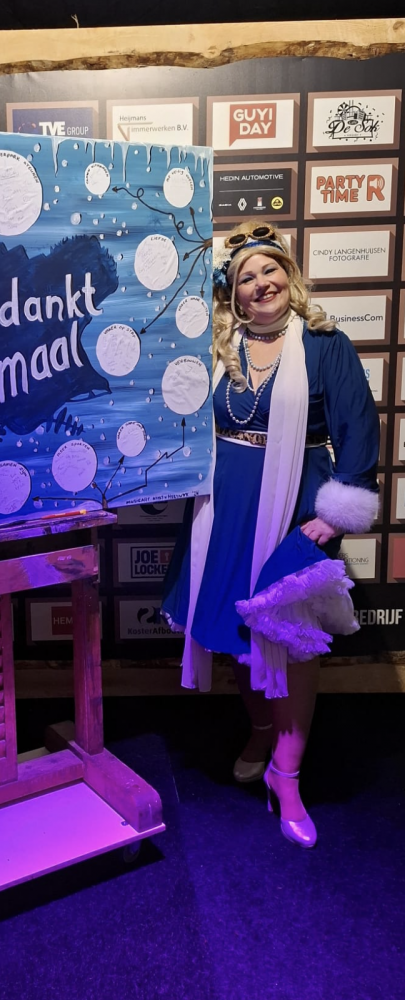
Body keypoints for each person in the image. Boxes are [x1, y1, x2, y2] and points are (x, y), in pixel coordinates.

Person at [162, 221, 380, 848]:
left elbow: (358, 429)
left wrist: (336, 513)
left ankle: (287, 775)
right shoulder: (216, 345)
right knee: (240, 632)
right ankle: (261, 732)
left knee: (293, 640)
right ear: (231, 292)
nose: (261, 284)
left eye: (270, 270)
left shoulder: (325, 343)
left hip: (296, 505)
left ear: (290, 275)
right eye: (245, 277)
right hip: (226, 505)